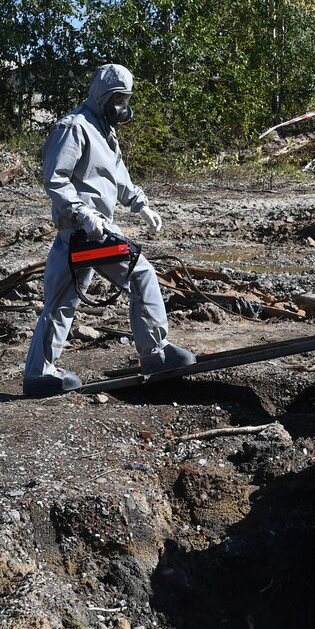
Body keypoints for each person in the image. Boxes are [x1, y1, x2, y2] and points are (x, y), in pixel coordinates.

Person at [23, 63, 195, 396]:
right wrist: (82, 213)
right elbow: (55, 179)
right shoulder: (73, 128)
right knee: (140, 273)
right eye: (118, 98)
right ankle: (155, 353)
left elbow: (118, 175)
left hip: (92, 231)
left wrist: (140, 204)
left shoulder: (104, 131)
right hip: (85, 233)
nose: (123, 106)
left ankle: (38, 373)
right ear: (103, 96)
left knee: (61, 299)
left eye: (126, 99)